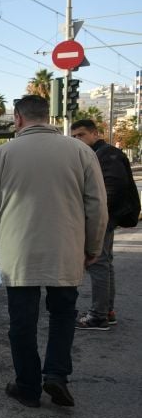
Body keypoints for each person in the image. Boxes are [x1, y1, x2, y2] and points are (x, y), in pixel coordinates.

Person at [0, 95, 107, 408]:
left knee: (22, 323)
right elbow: (98, 207)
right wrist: (92, 247)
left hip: (20, 254)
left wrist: (0, 241)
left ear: (18, 119)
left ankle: (28, 387)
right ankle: (56, 376)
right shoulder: (81, 152)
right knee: (63, 315)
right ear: (47, 117)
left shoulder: (0, 155)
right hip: (66, 251)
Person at [70, 119, 134, 330]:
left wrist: (96, 216)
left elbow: (111, 188)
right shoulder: (97, 154)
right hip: (107, 216)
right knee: (105, 264)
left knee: (98, 263)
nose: (77, 140)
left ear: (95, 134)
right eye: (74, 136)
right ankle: (107, 311)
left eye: (81, 135)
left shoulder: (106, 155)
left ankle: (98, 316)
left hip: (104, 217)